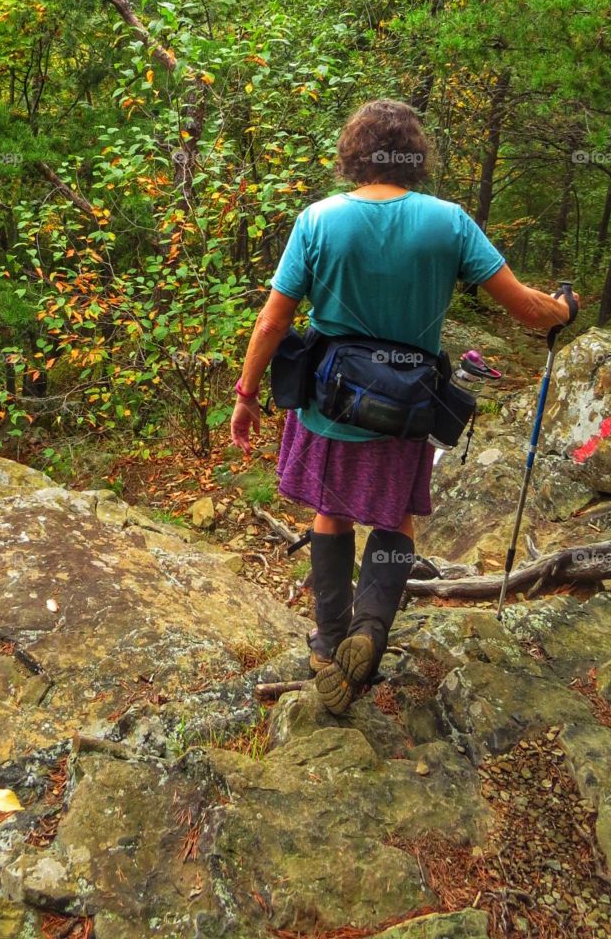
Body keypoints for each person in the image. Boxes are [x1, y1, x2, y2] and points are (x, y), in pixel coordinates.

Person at [230, 98, 578, 716]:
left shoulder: (318, 220)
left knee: (330, 513)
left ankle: (328, 641)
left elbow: (272, 320)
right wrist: (562, 310)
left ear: (352, 154)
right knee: (395, 522)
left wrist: (247, 394)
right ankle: (371, 631)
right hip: (406, 407)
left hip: (332, 402)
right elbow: (524, 307)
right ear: (414, 155)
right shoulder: (448, 223)